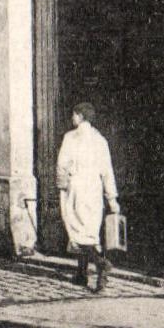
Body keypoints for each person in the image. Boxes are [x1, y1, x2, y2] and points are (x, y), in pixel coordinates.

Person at [57, 101, 119, 292]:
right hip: (94, 190)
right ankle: (81, 274)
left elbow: (62, 165)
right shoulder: (100, 140)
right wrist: (112, 198)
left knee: (78, 232)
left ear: (80, 116)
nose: (72, 118)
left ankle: (100, 264)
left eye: (74, 114)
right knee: (89, 231)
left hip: (77, 188)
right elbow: (107, 171)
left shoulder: (70, 138)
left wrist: (62, 185)